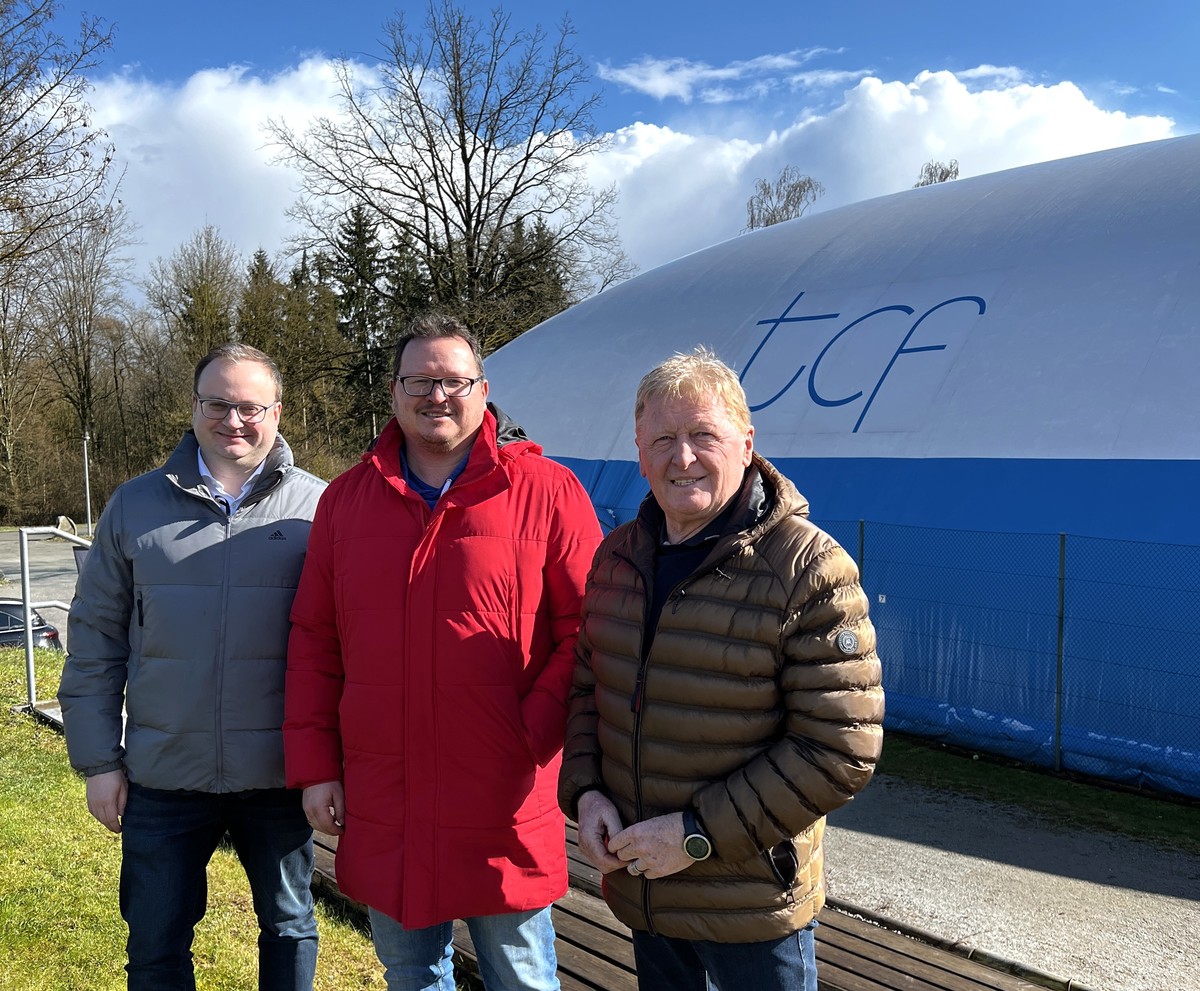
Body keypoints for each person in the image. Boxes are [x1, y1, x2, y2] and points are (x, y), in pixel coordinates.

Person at [283, 313, 602, 991]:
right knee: (412, 974)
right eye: (420, 380)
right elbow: (315, 641)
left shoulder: (548, 493)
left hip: (503, 796)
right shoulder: (346, 502)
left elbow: (592, 631)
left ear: (483, 390)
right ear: (393, 392)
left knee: (521, 976)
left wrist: (531, 728)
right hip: (386, 794)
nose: (437, 395)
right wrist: (317, 767)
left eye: (453, 380)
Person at [558, 347, 885, 991]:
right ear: (639, 449)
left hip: (750, 907)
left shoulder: (809, 570)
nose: (682, 458)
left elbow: (840, 748)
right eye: (663, 439)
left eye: (703, 434)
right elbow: (588, 690)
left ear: (746, 442)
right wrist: (587, 789)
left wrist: (696, 836)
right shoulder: (618, 557)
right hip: (646, 889)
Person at [58, 343, 327, 991]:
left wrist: (334, 768)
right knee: (155, 943)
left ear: (277, 412)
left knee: (289, 930)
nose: (233, 419)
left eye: (250, 406)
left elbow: (345, 651)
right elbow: (95, 638)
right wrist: (98, 761)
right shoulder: (135, 505)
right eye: (217, 403)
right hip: (164, 775)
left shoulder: (323, 509)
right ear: (195, 407)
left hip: (280, 778)